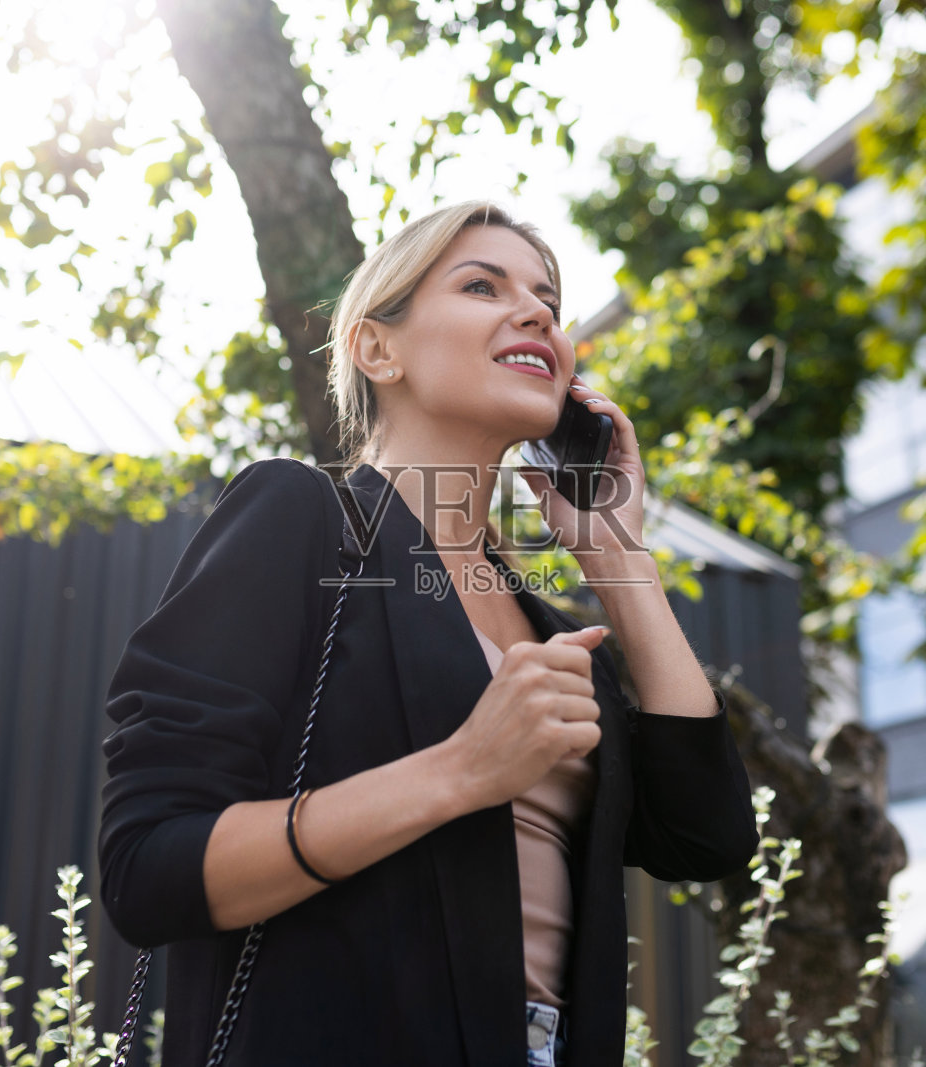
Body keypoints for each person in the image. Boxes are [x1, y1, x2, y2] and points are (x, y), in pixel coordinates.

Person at [98, 200, 759, 1067]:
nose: (534, 313)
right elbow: (149, 867)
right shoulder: (298, 520)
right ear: (378, 348)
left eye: (548, 303)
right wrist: (463, 771)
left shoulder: (551, 636)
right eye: (483, 285)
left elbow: (706, 835)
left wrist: (615, 556)